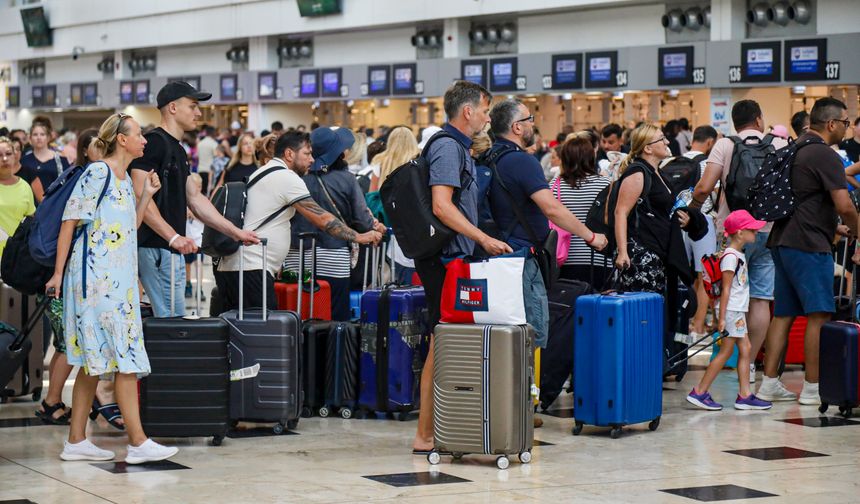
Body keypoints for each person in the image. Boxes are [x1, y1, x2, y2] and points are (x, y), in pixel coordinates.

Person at [45, 112, 178, 464]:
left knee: (96, 361)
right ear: (122, 139)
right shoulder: (98, 172)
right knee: (124, 357)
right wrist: (58, 274)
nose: (144, 140)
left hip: (117, 282)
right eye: (139, 134)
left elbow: (127, 230)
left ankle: (75, 441)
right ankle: (138, 441)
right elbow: (69, 223)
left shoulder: (119, 181)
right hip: (95, 282)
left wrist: (146, 196)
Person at [412, 81, 512, 454]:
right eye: (485, 110)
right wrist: (481, 238)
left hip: (451, 257)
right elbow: (442, 205)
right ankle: (424, 434)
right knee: (441, 345)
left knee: (446, 343)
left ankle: (434, 429)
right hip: (443, 260)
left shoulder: (457, 148)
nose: (488, 117)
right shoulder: (447, 148)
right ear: (467, 111)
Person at [758, 97, 859, 405]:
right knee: (819, 313)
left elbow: (808, 199)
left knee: (785, 314)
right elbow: (844, 205)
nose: (847, 128)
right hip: (808, 244)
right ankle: (813, 387)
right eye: (845, 123)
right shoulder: (825, 154)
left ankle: (769, 384)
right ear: (831, 124)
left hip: (783, 239)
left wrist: (835, 227)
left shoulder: (796, 146)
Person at [128, 81, 258, 318]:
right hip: (155, 248)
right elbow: (140, 197)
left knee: (173, 320)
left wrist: (235, 232)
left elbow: (195, 199)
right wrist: (173, 236)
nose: (198, 113)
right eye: (193, 106)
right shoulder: (154, 143)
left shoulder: (176, 148)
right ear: (173, 108)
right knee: (168, 324)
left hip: (169, 249)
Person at [216, 132, 381, 312]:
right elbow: (322, 218)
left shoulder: (263, 171)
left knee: (244, 331)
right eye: (307, 154)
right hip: (252, 267)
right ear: (289, 154)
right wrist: (359, 237)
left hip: (236, 265)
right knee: (261, 332)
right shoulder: (286, 177)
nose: (312, 159)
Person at [691, 100, 788, 384]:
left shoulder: (725, 145)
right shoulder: (780, 144)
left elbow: (704, 187)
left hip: (734, 232)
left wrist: (692, 211)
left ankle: (730, 358)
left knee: (730, 296)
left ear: (735, 122)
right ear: (759, 120)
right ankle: (752, 361)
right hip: (768, 229)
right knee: (760, 299)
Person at [287, 127, 386, 321]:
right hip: (333, 256)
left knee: (299, 312)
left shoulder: (295, 179)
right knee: (335, 317)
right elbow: (362, 221)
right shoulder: (346, 179)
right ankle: (333, 351)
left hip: (295, 256)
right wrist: (374, 225)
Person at [686, 210, 773, 411]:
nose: (756, 233)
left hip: (737, 311)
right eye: (752, 230)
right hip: (732, 311)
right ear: (740, 233)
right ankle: (699, 391)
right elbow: (725, 290)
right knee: (726, 352)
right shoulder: (730, 257)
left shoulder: (737, 254)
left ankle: (744, 395)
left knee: (746, 349)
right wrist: (722, 318)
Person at [613, 123, 676, 293]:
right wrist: (623, 252)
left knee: (655, 308)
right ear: (648, 149)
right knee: (643, 311)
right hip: (641, 254)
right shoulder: (637, 172)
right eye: (662, 139)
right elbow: (620, 212)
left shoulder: (656, 172)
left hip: (658, 250)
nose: (667, 142)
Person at [551, 136, 612, 290]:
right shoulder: (605, 184)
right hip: (599, 257)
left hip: (564, 258)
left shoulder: (553, 186)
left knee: (568, 307)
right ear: (592, 157)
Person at [680, 126, 719, 341]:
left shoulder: (673, 161)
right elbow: (714, 194)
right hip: (703, 221)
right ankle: (699, 326)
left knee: (682, 275)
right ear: (710, 142)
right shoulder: (708, 164)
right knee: (704, 276)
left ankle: (682, 322)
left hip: (677, 221)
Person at [21, 120, 68, 203]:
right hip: (30, 206)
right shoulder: (24, 160)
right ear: (30, 138)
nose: (39, 137)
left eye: (42, 134)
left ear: (48, 137)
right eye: (35, 134)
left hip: (54, 204)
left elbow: (66, 185)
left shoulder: (61, 160)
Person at [369, 126, 420, 191]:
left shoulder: (380, 160)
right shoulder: (418, 160)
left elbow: (372, 192)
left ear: (390, 141)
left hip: (385, 200)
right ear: (413, 141)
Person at [184, 173, 206, 301]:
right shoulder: (184, 201)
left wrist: (194, 214)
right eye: (195, 186)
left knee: (199, 263)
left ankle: (200, 287)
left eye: (200, 186)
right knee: (187, 263)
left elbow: (207, 218)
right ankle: (188, 284)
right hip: (187, 237)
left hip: (199, 239)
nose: (198, 189)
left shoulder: (203, 201)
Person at [197, 126, 218, 194]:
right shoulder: (213, 143)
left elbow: (197, 156)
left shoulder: (200, 143)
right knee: (209, 192)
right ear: (213, 133)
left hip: (200, 169)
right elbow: (216, 157)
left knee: (202, 191)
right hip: (210, 171)